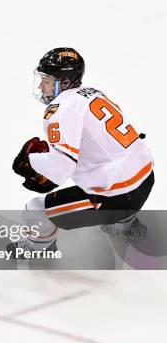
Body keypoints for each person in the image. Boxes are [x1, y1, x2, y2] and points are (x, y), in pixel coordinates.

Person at [10, 47, 154, 255]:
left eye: (47, 80)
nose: (42, 85)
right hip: (146, 179)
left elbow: (60, 172)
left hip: (119, 196)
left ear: (65, 82)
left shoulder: (60, 110)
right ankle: (125, 223)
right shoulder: (94, 93)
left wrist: (31, 160)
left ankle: (39, 248)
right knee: (112, 172)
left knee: (34, 211)